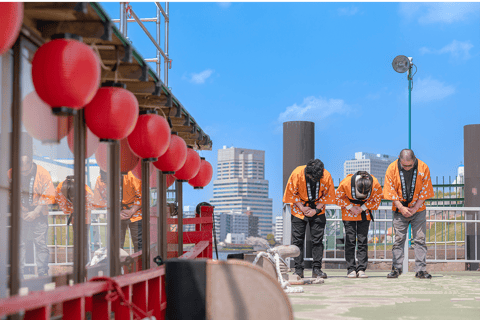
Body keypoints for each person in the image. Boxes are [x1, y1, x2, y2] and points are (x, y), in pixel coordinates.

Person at [8, 134, 55, 277]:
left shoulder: (43, 173)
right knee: (19, 244)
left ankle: (42, 272)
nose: (23, 173)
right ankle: (18, 273)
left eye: (26, 171)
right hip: (21, 213)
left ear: (31, 164)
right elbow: (9, 194)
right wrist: (21, 212)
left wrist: (35, 212)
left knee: (41, 244)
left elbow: (48, 195)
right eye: (20, 171)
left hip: (39, 214)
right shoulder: (11, 173)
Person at [383, 149, 434, 279]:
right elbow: (390, 190)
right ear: (399, 158)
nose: (406, 168)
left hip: (419, 209)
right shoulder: (391, 168)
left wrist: (416, 207)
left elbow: (426, 189)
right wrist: (401, 207)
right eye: (404, 165)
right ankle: (396, 269)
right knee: (399, 240)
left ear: (415, 159)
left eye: (410, 165)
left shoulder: (423, 167)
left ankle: (421, 270)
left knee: (420, 239)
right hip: (399, 209)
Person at [283, 159, 335, 279]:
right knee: (297, 240)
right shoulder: (297, 173)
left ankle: (317, 269)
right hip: (298, 207)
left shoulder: (326, 175)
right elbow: (291, 193)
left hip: (318, 208)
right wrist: (302, 208)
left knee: (317, 240)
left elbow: (328, 195)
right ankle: (298, 270)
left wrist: (316, 210)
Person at [335, 171, 383, 278]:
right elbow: (338, 197)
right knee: (350, 240)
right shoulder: (346, 182)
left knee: (362, 240)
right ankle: (350, 268)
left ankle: (361, 268)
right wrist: (351, 207)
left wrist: (362, 208)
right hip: (348, 211)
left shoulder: (375, 184)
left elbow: (377, 199)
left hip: (364, 212)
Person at [56, 175, 94, 263]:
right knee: (77, 241)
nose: (72, 199)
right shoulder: (59, 188)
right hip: (75, 216)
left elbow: (93, 203)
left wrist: (79, 207)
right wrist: (72, 208)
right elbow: (62, 204)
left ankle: (85, 263)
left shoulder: (86, 190)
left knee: (84, 241)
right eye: (71, 198)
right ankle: (79, 262)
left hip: (85, 216)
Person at [120, 171, 142, 252]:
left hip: (135, 213)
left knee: (139, 244)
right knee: (116, 245)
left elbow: (141, 196)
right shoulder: (105, 177)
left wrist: (132, 210)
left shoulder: (133, 175)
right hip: (118, 213)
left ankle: (140, 264)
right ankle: (118, 264)